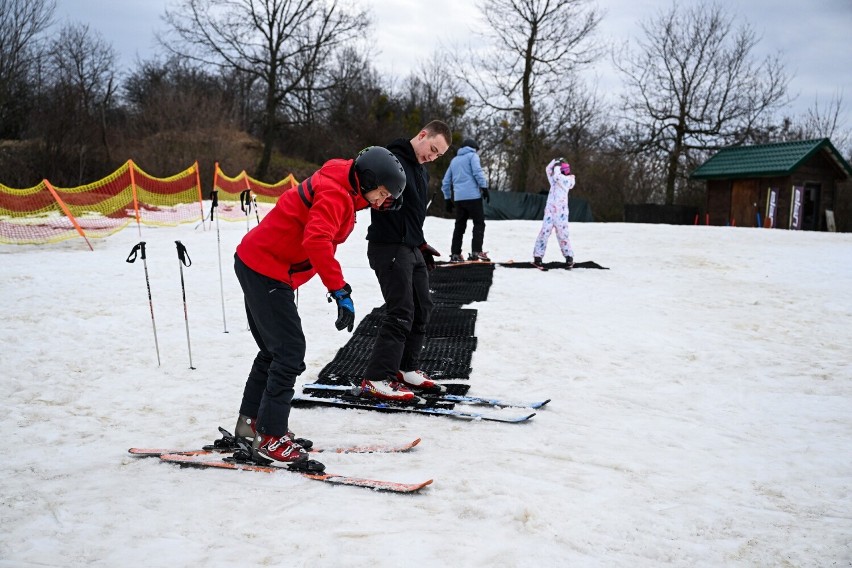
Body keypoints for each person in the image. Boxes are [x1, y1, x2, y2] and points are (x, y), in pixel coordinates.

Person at [232, 146, 406, 464]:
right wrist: (339, 290)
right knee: (288, 353)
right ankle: (270, 437)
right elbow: (316, 240)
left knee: (274, 352)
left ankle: (251, 426)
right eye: (380, 193)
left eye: (386, 198)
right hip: (265, 269)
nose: (381, 203)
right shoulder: (336, 194)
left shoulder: (346, 186)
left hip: (259, 264)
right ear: (367, 179)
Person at [360, 120, 453, 402]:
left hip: (411, 247)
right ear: (423, 135)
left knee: (422, 307)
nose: (433, 157)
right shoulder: (391, 160)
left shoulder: (420, 172)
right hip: (388, 245)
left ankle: (405, 368)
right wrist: (381, 204)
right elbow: (369, 194)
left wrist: (421, 244)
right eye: (433, 149)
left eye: (439, 155)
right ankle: (376, 378)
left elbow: (413, 214)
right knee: (400, 310)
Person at [440, 139, 490, 262]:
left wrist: (447, 198)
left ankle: (455, 253)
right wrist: (484, 188)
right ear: (473, 148)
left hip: (459, 199)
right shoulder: (472, 156)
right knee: (479, 223)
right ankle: (476, 252)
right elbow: (477, 172)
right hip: (473, 197)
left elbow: (445, 182)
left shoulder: (454, 161)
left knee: (459, 226)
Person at [533, 158, 575, 268]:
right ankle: (538, 257)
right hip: (550, 212)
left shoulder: (568, 180)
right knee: (544, 232)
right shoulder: (554, 182)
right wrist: (554, 161)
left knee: (563, 235)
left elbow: (557, 176)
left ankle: (569, 257)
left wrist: (557, 166)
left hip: (561, 214)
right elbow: (548, 169)